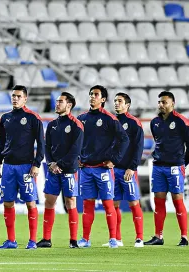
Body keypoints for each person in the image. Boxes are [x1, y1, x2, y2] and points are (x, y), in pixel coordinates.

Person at [77, 85, 129, 248]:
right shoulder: (81, 118)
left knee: (108, 204)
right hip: (85, 169)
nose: (92, 96)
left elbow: (124, 140)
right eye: (91, 94)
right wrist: (77, 157)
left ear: (103, 99)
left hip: (103, 169)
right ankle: (85, 239)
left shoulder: (109, 119)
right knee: (87, 205)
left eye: (96, 94)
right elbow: (75, 141)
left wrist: (114, 160)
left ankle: (113, 238)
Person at [0, 85, 44, 250]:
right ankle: (11, 240)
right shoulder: (5, 118)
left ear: (25, 98)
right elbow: (1, 143)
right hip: (8, 166)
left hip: (26, 168)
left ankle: (32, 241)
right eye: (13, 96)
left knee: (30, 203)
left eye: (18, 96)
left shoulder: (33, 117)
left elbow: (41, 144)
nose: (15, 99)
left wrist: (37, 164)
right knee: (8, 203)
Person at [36, 92, 83, 249]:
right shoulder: (51, 125)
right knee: (49, 201)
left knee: (70, 202)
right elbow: (46, 147)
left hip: (68, 170)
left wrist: (59, 164)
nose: (57, 104)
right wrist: (50, 163)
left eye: (60, 102)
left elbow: (75, 151)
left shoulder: (77, 125)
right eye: (56, 101)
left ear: (69, 105)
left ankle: (73, 240)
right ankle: (46, 239)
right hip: (52, 170)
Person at [145, 91, 189, 246]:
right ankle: (158, 236)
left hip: (175, 167)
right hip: (158, 167)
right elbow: (158, 142)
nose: (161, 105)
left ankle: (184, 237)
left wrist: (183, 163)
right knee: (159, 201)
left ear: (172, 104)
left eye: (164, 102)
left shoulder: (182, 121)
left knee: (178, 201)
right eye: (159, 102)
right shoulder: (155, 122)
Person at [102, 93, 144, 248]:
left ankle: (139, 238)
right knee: (114, 204)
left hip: (127, 170)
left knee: (134, 202)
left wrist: (132, 167)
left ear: (128, 105)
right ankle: (117, 238)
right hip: (113, 170)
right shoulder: (111, 121)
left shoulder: (134, 123)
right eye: (115, 101)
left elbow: (138, 147)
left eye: (120, 101)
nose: (116, 103)